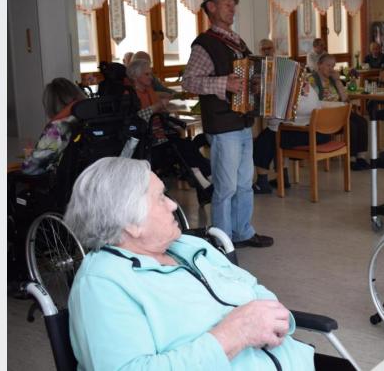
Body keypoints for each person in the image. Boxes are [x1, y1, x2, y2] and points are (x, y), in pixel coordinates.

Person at [65, 157, 315, 370]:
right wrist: (233, 335)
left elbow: (252, 286)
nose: (173, 204)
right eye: (160, 197)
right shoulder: (102, 283)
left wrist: (277, 320)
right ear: (131, 223)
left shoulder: (190, 246)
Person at [181, 0, 273, 248]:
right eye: (227, 4)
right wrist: (224, 83)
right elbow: (189, 81)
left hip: (242, 122)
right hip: (222, 125)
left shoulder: (237, 41)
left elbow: (248, 76)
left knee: (245, 183)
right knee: (226, 187)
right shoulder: (204, 44)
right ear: (210, 7)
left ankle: (242, 232)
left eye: (233, 5)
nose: (233, 9)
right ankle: (222, 239)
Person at [127, 59, 212, 204]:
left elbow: (162, 115)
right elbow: (136, 119)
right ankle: (206, 184)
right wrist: (157, 106)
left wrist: (165, 112)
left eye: (151, 73)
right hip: (148, 143)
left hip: (162, 137)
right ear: (136, 77)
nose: (151, 77)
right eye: (147, 74)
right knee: (186, 148)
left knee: (188, 146)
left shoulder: (150, 91)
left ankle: (206, 182)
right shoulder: (130, 96)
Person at [252, 79, 327, 194]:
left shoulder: (282, 89)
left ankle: (262, 183)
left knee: (265, 140)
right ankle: (282, 178)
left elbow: (272, 120)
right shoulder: (307, 85)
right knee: (275, 135)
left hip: (304, 135)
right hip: (320, 133)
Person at [310, 53, 370, 170]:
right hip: (325, 115)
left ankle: (361, 157)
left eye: (333, 66)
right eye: (328, 66)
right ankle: (351, 159)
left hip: (339, 111)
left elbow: (345, 99)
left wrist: (337, 81)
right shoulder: (312, 80)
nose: (331, 69)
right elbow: (314, 103)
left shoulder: (332, 80)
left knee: (362, 121)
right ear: (319, 65)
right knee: (351, 126)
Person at [21, 78, 87, 175]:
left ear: (52, 104)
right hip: (94, 180)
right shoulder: (89, 120)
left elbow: (30, 169)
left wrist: (29, 155)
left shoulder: (57, 128)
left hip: (65, 184)